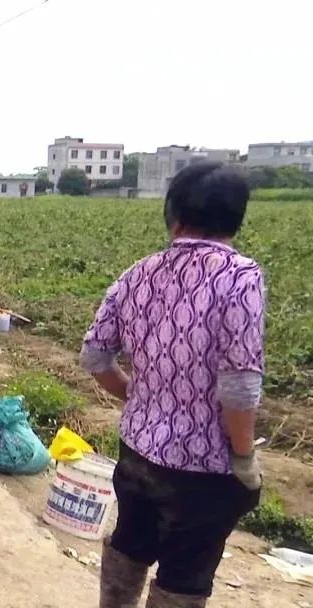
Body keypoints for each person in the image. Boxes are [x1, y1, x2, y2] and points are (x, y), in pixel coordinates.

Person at [82, 162, 264, 608]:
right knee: (184, 576)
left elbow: (94, 357)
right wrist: (244, 459)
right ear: (236, 216)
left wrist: (138, 396)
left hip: (137, 451)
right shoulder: (241, 277)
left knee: (129, 545)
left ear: (175, 211)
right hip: (204, 469)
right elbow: (238, 387)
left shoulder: (137, 273)